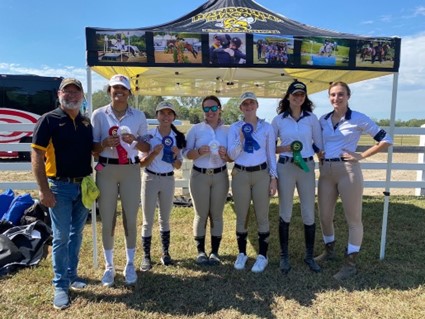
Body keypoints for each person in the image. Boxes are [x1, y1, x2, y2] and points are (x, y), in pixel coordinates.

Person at [315, 81, 393, 280]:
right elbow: (313, 141)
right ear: (329, 97)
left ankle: (350, 264)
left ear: (348, 96)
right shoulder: (323, 119)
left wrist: (362, 155)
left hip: (348, 171)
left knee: (353, 219)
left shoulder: (358, 118)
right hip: (326, 172)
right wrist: (318, 152)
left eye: (341, 94)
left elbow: (385, 139)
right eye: (333, 94)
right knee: (324, 215)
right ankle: (329, 250)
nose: (336, 98)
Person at [31, 78, 93, 310]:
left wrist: (106, 143)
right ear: (59, 94)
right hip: (59, 187)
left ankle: (72, 275)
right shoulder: (48, 120)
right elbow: (36, 156)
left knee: (77, 234)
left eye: (76, 92)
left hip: (83, 185)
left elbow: (91, 150)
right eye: (67, 91)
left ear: (82, 96)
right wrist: (43, 189)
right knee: (61, 236)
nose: (72, 95)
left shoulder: (86, 123)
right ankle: (60, 285)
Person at [91, 74, 149, 287]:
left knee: (130, 218)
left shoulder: (139, 116)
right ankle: (109, 266)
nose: (119, 92)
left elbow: (146, 147)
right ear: (109, 91)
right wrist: (104, 143)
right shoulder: (99, 115)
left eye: (123, 89)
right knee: (107, 219)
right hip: (105, 169)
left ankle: (130, 263)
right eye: (115, 88)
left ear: (128, 92)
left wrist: (134, 140)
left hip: (131, 169)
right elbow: (93, 148)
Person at [271, 81, 323, 274]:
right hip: (285, 167)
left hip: (306, 167)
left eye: (302, 94)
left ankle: (309, 256)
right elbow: (270, 148)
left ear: (305, 97)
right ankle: (284, 256)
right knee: (285, 211)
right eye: (295, 94)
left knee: (309, 211)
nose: (298, 97)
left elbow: (318, 144)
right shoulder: (278, 120)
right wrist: (282, 149)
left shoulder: (312, 118)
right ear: (288, 96)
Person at [227, 92, 278, 273]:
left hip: (261, 174)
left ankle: (262, 256)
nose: (248, 107)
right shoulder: (234, 128)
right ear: (240, 108)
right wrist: (241, 137)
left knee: (262, 215)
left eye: (251, 103)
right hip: (240, 174)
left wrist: (273, 178)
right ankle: (242, 253)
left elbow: (271, 154)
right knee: (242, 215)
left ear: (257, 105)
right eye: (245, 104)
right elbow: (232, 155)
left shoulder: (267, 128)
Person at [183, 95, 231, 265]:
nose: (210, 112)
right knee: (201, 214)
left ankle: (215, 252)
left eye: (213, 108)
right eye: (206, 108)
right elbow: (186, 154)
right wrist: (198, 152)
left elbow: (232, 157)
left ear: (219, 109)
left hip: (220, 176)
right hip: (199, 176)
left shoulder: (227, 130)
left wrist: (227, 155)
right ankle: (201, 252)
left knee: (217, 215)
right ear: (203, 110)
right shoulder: (196, 130)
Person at [139, 101, 186, 271]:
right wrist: (154, 153)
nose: (166, 117)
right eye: (162, 113)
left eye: (169, 113)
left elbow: (179, 165)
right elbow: (142, 163)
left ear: (174, 117)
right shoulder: (149, 136)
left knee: (165, 218)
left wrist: (174, 156)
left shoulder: (178, 137)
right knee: (147, 220)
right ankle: (146, 256)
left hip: (168, 179)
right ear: (157, 115)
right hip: (150, 178)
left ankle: (165, 253)